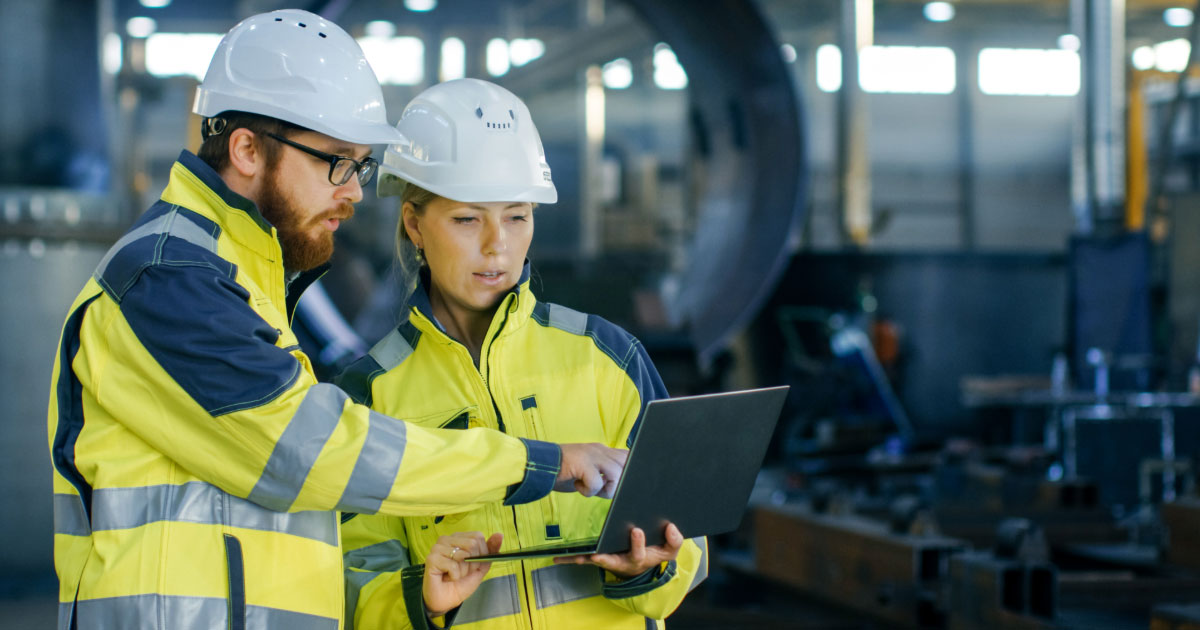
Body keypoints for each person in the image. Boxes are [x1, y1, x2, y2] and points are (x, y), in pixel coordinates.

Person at [46, 11, 626, 629]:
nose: (352, 191)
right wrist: (536, 462)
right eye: (336, 161)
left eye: (360, 165)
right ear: (246, 149)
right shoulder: (169, 277)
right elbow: (308, 450)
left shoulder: (244, 279)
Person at [337, 78, 708, 630]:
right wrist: (421, 598)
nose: (498, 245)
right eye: (467, 219)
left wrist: (646, 568)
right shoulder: (370, 395)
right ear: (414, 223)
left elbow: (689, 541)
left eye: (517, 215)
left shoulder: (608, 358)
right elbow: (352, 580)